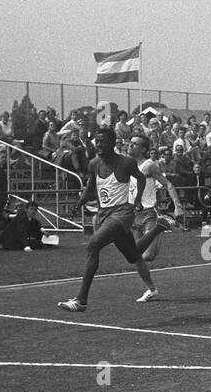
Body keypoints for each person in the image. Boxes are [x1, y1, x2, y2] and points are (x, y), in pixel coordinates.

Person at [58, 128, 173, 312]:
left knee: (93, 245)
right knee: (133, 255)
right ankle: (159, 227)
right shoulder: (94, 164)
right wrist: (79, 203)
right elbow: (90, 187)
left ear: (112, 143)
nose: (99, 145)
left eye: (103, 141)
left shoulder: (125, 163)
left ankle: (81, 300)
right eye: (97, 141)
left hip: (122, 214)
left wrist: (136, 201)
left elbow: (141, 179)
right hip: (105, 214)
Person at [126, 133, 183, 261]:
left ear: (143, 149)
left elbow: (168, 184)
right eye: (130, 142)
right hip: (133, 214)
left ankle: (161, 226)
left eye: (135, 144)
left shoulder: (149, 165)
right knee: (135, 255)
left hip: (148, 213)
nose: (130, 145)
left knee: (147, 256)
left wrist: (177, 206)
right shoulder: (126, 164)